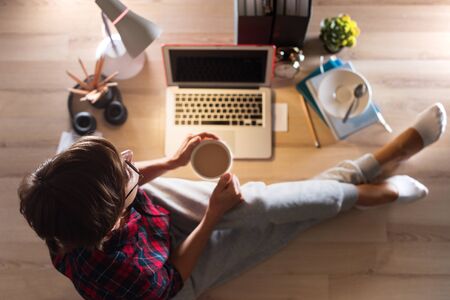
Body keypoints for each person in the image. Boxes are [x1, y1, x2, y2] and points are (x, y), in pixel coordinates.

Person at [18, 103, 446, 299]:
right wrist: (212, 217)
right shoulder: (132, 281)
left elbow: (120, 181)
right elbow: (171, 278)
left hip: (145, 217)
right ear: (112, 221)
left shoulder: (56, 199)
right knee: (271, 228)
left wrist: (170, 161)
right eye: (128, 169)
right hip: (173, 275)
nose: (133, 161)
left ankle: (369, 177)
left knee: (259, 205)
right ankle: (368, 181)